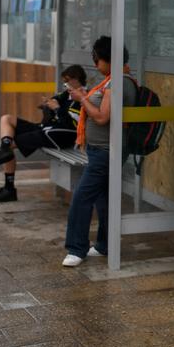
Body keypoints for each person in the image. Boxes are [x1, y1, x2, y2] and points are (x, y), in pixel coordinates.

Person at [62, 36, 137, 267]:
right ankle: (104, 244)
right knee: (103, 199)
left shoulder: (118, 82)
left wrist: (82, 98)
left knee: (81, 197)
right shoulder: (111, 80)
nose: (95, 64)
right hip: (100, 151)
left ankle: (76, 248)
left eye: (97, 59)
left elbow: (103, 117)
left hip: (106, 153)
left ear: (108, 59)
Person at [0, 65, 87, 203]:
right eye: (64, 81)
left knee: (11, 145)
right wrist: (48, 104)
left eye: (68, 81)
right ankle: (5, 147)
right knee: (7, 119)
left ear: (77, 79)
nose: (65, 85)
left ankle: (9, 189)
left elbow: (73, 126)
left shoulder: (82, 97)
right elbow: (55, 102)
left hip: (59, 135)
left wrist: (58, 108)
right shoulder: (67, 94)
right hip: (47, 128)